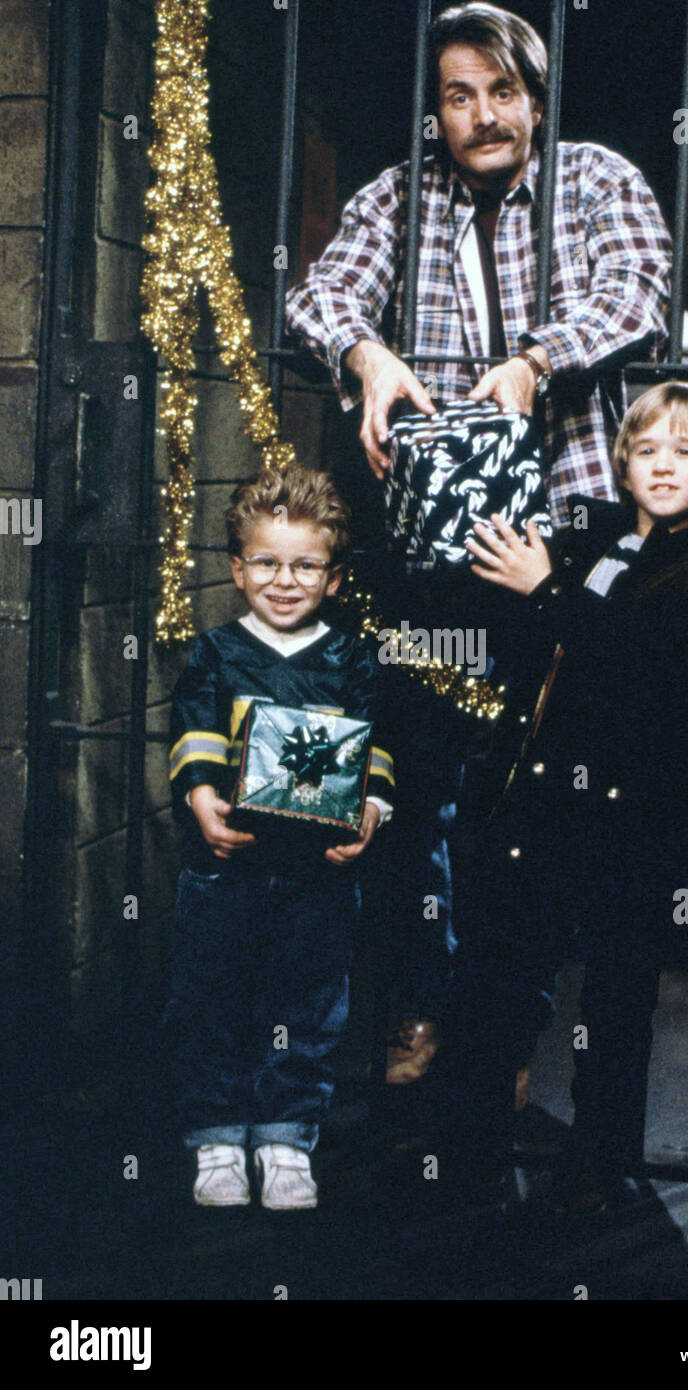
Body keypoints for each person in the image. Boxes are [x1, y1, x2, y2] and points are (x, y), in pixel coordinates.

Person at [284, 1, 672, 1087]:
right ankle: (418, 1005)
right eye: (459, 94)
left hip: (562, 540)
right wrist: (364, 355)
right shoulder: (402, 195)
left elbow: (637, 290)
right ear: (437, 109)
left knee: (539, 798)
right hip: (431, 553)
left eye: (502, 92)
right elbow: (320, 291)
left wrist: (534, 363)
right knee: (417, 777)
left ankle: (507, 1028)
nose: (482, 115)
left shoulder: (596, 180)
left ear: (535, 101)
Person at [461, 381, 688, 1203]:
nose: (662, 465)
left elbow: (634, 678)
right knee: (510, 966)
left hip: (633, 823)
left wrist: (546, 592)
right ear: (621, 467)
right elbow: (545, 643)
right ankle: (476, 1132)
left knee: (618, 994)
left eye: (684, 452)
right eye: (646, 449)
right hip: (552, 806)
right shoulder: (600, 543)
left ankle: (603, 1159)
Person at [162, 465, 394, 1209]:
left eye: (305, 565)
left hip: (318, 874)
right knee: (212, 998)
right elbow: (193, 727)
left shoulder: (352, 659)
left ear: (331, 577)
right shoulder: (216, 652)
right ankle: (219, 1136)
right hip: (225, 868)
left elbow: (377, 749)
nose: (284, 580)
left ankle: (288, 1136)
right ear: (237, 568)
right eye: (266, 562)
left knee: (308, 1003)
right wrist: (201, 797)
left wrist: (372, 812)